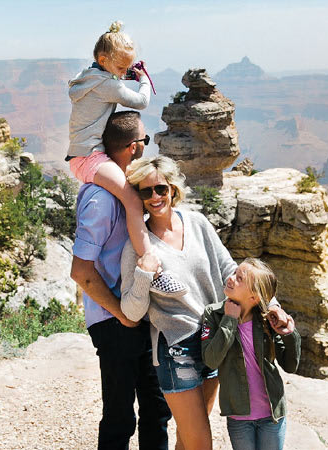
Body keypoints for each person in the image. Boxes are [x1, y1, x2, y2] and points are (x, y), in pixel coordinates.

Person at [119, 156, 291, 450]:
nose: (155, 197)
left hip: (215, 339)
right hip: (177, 350)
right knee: (201, 444)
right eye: (145, 192)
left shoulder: (197, 223)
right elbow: (131, 311)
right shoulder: (136, 246)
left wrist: (272, 305)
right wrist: (144, 273)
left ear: (172, 188)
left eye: (160, 188)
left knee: (187, 440)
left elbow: (229, 269)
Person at [70, 111, 171, 450]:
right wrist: (121, 314)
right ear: (132, 147)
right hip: (114, 320)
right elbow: (81, 272)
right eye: (145, 140)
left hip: (140, 313)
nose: (146, 146)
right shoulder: (100, 200)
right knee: (119, 417)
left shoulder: (129, 191)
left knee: (157, 409)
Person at [68, 21, 183, 296]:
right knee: (132, 200)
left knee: (132, 188)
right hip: (89, 157)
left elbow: (110, 80)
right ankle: (153, 270)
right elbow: (141, 102)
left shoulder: (86, 78)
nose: (123, 74)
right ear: (103, 60)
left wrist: (120, 73)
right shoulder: (107, 84)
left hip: (82, 155)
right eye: (121, 69)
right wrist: (142, 78)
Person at [201, 258, 301, 450]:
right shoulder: (213, 315)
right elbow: (211, 361)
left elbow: (290, 365)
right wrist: (229, 320)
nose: (230, 279)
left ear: (254, 297)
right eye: (234, 274)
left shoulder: (266, 319)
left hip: (272, 415)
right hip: (239, 418)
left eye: (239, 278)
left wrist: (288, 332)